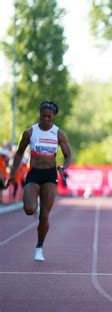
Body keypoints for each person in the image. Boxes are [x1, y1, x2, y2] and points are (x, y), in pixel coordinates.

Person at [7, 101, 72, 262]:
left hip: (50, 175)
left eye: (49, 117)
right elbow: (19, 153)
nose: (46, 119)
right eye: (43, 116)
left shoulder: (59, 134)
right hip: (34, 173)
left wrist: (63, 167)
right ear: (40, 115)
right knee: (29, 209)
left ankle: (39, 248)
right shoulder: (30, 132)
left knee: (44, 215)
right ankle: (33, 204)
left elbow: (68, 156)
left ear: (54, 117)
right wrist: (13, 173)